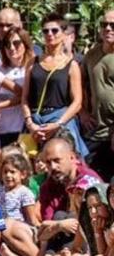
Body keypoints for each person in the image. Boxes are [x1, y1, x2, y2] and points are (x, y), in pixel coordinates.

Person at [22, 14, 85, 156]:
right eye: (45, 31)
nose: (49, 34)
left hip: (61, 123)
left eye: (54, 30)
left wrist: (58, 124)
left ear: (64, 34)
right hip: (35, 122)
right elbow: (25, 97)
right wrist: (30, 123)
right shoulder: (33, 63)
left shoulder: (72, 65)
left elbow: (77, 102)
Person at [37, 137, 102, 250]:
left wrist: (61, 224)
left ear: (72, 157)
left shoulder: (89, 180)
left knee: (66, 216)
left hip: (91, 240)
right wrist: (60, 225)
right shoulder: (47, 187)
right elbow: (44, 231)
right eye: (48, 162)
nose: (53, 167)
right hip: (61, 242)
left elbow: (97, 218)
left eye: (57, 160)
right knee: (60, 216)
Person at [0, 150, 41, 256]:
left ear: (23, 175)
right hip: (3, 228)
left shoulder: (24, 192)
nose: (8, 175)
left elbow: (31, 218)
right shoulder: (0, 191)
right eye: (5, 172)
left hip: (21, 229)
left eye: (12, 172)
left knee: (7, 224)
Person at [82, 9, 114, 170]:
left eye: (112, 25)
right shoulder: (91, 55)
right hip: (95, 131)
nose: (108, 29)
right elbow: (80, 85)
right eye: (104, 25)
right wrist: (83, 113)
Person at [0, 27, 33, 147]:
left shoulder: (31, 68)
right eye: (8, 44)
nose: (12, 48)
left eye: (16, 43)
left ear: (25, 44)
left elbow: (26, 95)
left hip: (23, 128)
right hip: (1, 128)